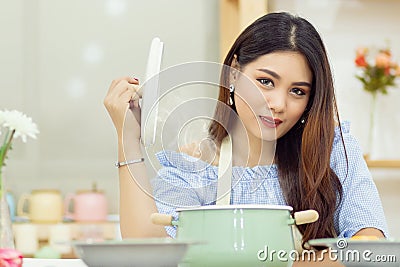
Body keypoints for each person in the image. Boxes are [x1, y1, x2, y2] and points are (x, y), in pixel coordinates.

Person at [104, 11, 388, 266]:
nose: (278, 103)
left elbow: (369, 244)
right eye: (266, 81)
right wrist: (128, 138)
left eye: (298, 91)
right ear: (235, 73)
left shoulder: (333, 150)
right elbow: (151, 248)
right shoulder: (195, 163)